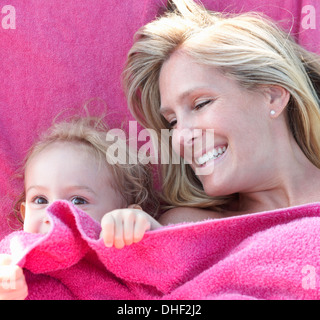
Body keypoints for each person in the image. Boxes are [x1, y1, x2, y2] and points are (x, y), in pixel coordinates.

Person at [123, 0, 320, 225]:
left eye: (201, 104)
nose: (181, 137)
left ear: (272, 96)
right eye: (173, 121)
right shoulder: (186, 228)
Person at [0, 116, 161, 300]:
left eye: (78, 201)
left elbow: (176, 279)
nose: (53, 214)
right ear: (24, 213)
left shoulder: (129, 256)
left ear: (123, 213)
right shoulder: (14, 256)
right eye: (40, 200)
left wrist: (149, 234)